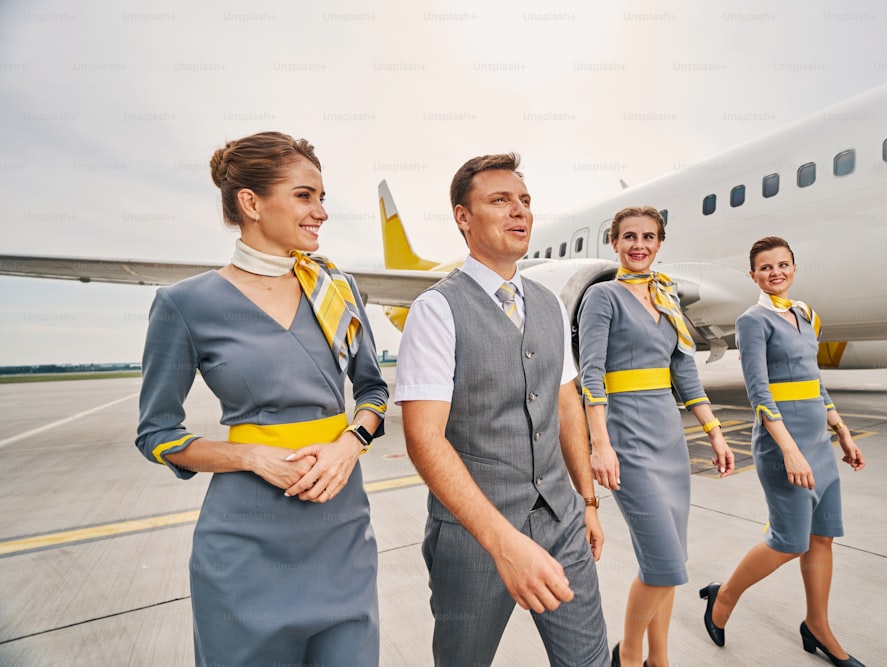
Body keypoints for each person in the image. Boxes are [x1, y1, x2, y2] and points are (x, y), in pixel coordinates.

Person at [135, 131, 388, 666]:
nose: (320, 211)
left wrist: (349, 444)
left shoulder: (336, 288)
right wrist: (248, 456)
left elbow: (373, 391)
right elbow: (156, 433)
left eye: (322, 197)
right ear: (250, 203)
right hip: (245, 543)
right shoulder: (184, 304)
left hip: (341, 531)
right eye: (304, 196)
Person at [395, 153, 610, 667]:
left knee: (590, 661)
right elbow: (425, 439)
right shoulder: (436, 309)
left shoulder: (550, 303)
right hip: (474, 536)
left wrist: (587, 500)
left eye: (525, 201)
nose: (520, 212)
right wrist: (501, 542)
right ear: (463, 217)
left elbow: (565, 403)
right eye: (500, 200)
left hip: (562, 521)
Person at [578, 206, 735, 667]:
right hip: (627, 440)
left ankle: (659, 659)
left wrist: (714, 432)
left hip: (670, 441)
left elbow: (685, 373)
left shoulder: (669, 298)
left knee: (666, 567)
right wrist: (600, 444)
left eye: (648, 236)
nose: (639, 245)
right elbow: (591, 376)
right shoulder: (603, 297)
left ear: (660, 242)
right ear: (615, 243)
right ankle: (628, 656)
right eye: (629, 237)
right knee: (665, 566)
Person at [700, 236, 865, 667]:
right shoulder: (753, 321)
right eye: (765, 267)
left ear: (793, 267)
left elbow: (815, 383)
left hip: (820, 446)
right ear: (753, 274)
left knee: (821, 538)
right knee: (789, 542)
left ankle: (817, 626)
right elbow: (758, 391)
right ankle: (724, 596)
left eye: (782, 264)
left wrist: (842, 431)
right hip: (782, 447)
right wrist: (790, 450)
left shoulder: (806, 315)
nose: (776, 272)